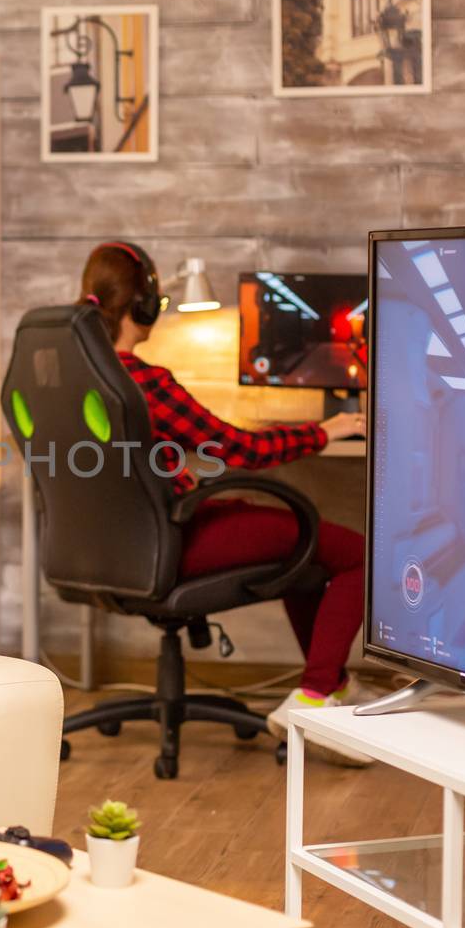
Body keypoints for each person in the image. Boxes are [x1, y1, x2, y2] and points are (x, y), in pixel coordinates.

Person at [77, 242, 373, 766]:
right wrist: (323, 431)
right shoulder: (145, 381)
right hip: (174, 543)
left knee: (306, 553)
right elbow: (241, 449)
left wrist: (167, 466)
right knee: (355, 553)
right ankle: (314, 697)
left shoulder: (75, 376)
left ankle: (330, 689)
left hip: (108, 552)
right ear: (144, 307)